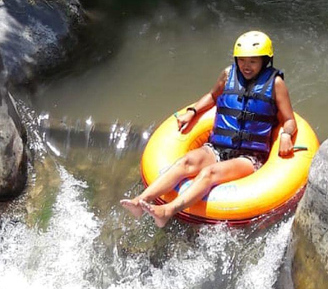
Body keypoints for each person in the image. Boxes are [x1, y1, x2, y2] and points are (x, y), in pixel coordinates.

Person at [120, 30, 297, 227]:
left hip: (249, 157)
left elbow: (289, 120)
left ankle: (167, 211)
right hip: (217, 147)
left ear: (265, 61)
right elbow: (213, 97)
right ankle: (140, 200)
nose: (246, 66)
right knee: (186, 161)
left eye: (253, 61)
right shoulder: (228, 74)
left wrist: (286, 135)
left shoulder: (276, 84)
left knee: (208, 173)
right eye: (242, 60)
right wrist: (192, 111)